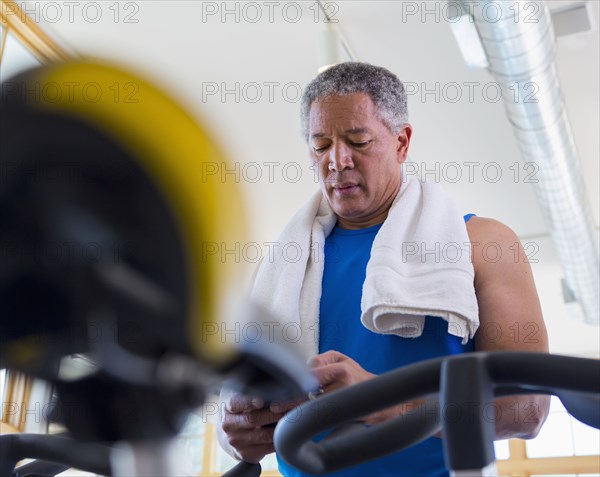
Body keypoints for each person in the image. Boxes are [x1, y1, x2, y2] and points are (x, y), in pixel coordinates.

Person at [217, 62, 550, 476]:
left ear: (402, 142)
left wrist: (393, 402)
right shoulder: (282, 266)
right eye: (320, 146)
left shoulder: (483, 243)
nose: (337, 161)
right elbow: (239, 393)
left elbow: (527, 409)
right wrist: (236, 430)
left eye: (357, 141)